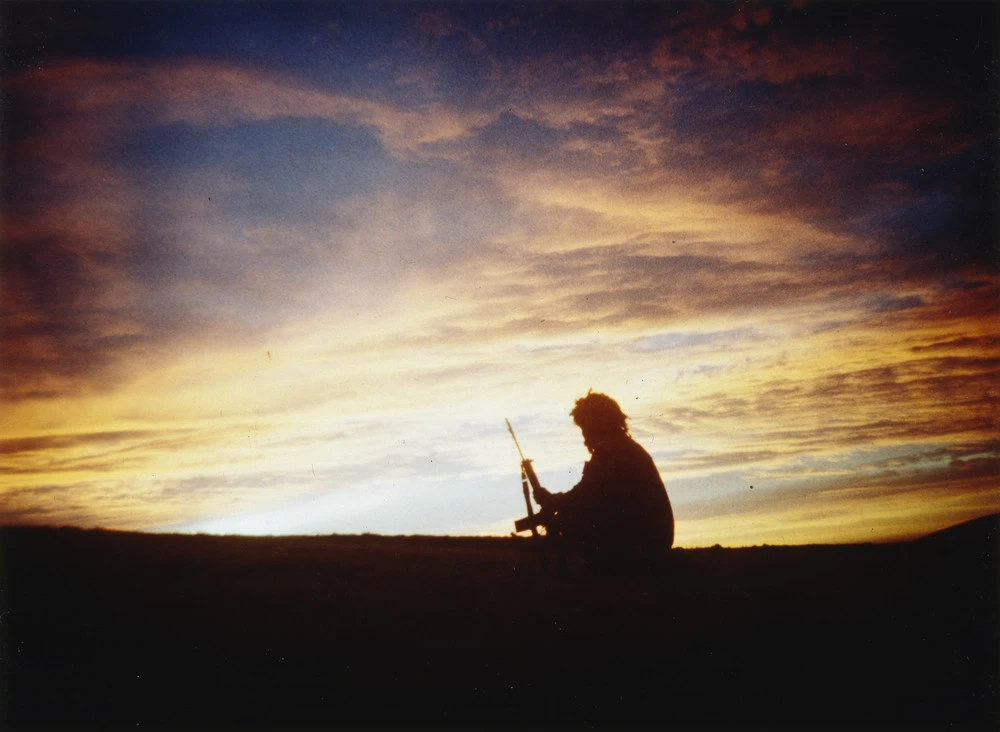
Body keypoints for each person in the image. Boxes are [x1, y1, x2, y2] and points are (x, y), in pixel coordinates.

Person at [533, 391, 674, 573]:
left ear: (596, 424)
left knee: (568, 520)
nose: (584, 437)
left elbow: (583, 496)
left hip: (641, 544)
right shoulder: (627, 447)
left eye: (585, 428)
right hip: (656, 540)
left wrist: (551, 501)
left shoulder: (609, 450)